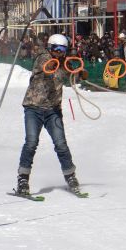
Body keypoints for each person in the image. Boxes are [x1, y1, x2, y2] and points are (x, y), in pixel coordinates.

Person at [16, 33, 80, 197]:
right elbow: (48, 65)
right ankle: (23, 178)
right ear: (51, 47)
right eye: (56, 49)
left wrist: (80, 73)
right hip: (34, 107)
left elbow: (74, 72)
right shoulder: (43, 57)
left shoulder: (64, 62)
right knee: (31, 142)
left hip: (53, 110)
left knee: (61, 144)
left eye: (63, 49)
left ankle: (70, 176)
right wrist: (62, 64)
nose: (59, 52)